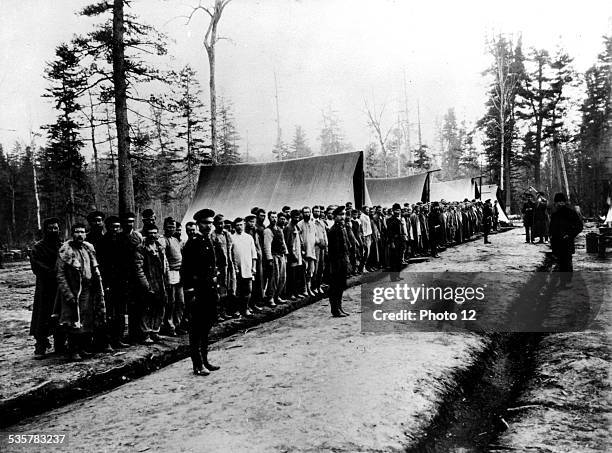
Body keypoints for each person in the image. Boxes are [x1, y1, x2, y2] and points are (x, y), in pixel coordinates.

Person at [54, 223, 107, 361]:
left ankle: (83, 348)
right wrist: (68, 294)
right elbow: (60, 275)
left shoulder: (87, 249)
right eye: (77, 232)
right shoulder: (65, 252)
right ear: (72, 234)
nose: (80, 234)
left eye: (82, 232)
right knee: (73, 320)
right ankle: (73, 350)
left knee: (87, 319)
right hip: (74, 291)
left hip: (88, 289)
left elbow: (94, 270)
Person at [181, 208, 221, 376]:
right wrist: (190, 292)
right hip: (197, 293)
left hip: (208, 291)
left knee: (205, 328)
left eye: (211, 223)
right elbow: (187, 270)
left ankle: (204, 360)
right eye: (205, 223)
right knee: (196, 329)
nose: (208, 226)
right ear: (198, 224)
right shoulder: (193, 242)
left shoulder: (207, 240)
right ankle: (197, 365)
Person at [30, 217, 64, 358]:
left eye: (55, 228)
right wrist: (52, 272)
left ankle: (60, 345)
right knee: (42, 316)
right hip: (45, 287)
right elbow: (36, 265)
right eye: (50, 228)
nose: (53, 230)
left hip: (59, 286)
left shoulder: (62, 246)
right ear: (45, 230)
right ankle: (40, 346)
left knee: (59, 315)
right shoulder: (38, 247)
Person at [97, 216, 130, 349]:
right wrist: (106, 284)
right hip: (108, 283)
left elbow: (127, 261)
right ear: (107, 227)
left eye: (117, 227)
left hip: (121, 282)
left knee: (121, 312)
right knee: (109, 313)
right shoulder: (102, 242)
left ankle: (118, 338)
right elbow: (102, 265)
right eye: (113, 227)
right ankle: (107, 341)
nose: (115, 229)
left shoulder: (124, 240)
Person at [134, 224, 168, 344]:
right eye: (150, 233)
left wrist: (166, 279)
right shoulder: (141, 248)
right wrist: (146, 285)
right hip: (149, 281)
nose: (153, 235)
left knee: (160, 306)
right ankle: (145, 333)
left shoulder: (160, 247)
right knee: (147, 309)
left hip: (160, 281)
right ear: (146, 234)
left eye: (155, 233)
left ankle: (155, 331)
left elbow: (165, 264)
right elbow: (139, 269)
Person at [549, 193, 583, 287]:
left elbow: (579, 226)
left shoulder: (571, 213)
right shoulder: (555, 214)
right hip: (557, 242)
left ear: (565, 202)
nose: (560, 204)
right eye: (558, 202)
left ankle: (567, 281)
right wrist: (551, 236)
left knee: (567, 262)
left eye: (562, 202)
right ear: (555, 203)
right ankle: (562, 282)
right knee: (560, 262)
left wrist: (569, 235)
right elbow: (551, 227)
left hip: (567, 242)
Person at [159, 217, 185, 335]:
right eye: (169, 227)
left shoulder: (175, 239)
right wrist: (167, 275)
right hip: (170, 273)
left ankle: (178, 324)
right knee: (171, 301)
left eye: (173, 227)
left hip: (179, 272)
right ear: (164, 227)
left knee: (181, 301)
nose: (171, 229)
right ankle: (170, 326)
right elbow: (163, 259)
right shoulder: (162, 240)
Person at [120, 212, 143, 344]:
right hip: (124, 275)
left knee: (137, 306)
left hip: (136, 275)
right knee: (123, 308)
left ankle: (136, 334)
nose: (129, 224)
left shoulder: (137, 236)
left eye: (131, 221)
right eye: (127, 221)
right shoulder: (119, 236)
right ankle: (123, 335)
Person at [211, 214, 236, 319]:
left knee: (231, 287)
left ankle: (229, 310)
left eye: (223, 223)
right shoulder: (213, 236)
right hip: (220, 267)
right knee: (221, 290)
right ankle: (219, 313)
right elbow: (213, 254)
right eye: (219, 223)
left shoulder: (227, 234)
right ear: (215, 224)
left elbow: (231, 249)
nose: (221, 225)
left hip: (229, 265)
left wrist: (233, 265)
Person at [327, 206, 350, 317]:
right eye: (340, 215)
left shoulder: (342, 228)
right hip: (336, 263)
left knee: (341, 285)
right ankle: (335, 310)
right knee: (335, 286)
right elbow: (334, 251)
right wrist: (337, 264)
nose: (342, 217)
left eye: (344, 214)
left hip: (342, 261)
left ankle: (339, 307)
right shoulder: (333, 230)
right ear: (335, 216)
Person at [232, 217, 258, 317]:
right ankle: (238, 309)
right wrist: (235, 268)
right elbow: (231, 254)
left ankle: (246, 308)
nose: (239, 227)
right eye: (237, 225)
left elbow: (254, 254)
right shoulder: (232, 238)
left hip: (248, 268)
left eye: (241, 225)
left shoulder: (248, 237)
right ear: (235, 226)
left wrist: (254, 267)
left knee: (248, 290)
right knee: (238, 291)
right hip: (237, 268)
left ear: (244, 225)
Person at [263, 211, 288, 306]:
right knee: (274, 278)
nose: (274, 219)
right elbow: (267, 246)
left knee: (282, 278)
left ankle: (277, 296)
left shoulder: (279, 229)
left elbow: (283, 242)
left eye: (275, 217)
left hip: (281, 255)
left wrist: (285, 253)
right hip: (274, 256)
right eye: (272, 217)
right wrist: (269, 259)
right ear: (269, 218)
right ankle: (270, 298)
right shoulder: (268, 231)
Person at [284, 209, 305, 300]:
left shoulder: (297, 226)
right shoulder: (289, 227)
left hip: (298, 253)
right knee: (291, 275)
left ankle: (296, 292)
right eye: (295, 217)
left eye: (298, 217)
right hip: (292, 254)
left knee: (297, 274)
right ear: (291, 217)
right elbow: (288, 243)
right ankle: (291, 293)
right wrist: (292, 255)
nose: (297, 219)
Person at [298, 206, 318, 297]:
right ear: (302, 213)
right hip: (304, 252)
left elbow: (315, 236)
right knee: (304, 271)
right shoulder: (299, 224)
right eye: (305, 212)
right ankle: (304, 289)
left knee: (311, 271)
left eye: (308, 212)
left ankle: (309, 288)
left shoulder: (313, 224)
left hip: (312, 251)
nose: (307, 214)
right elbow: (299, 239)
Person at [386, 203, 405, 281]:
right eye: (396, 210)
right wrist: (392, 242)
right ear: (393, 211)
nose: (398, 211)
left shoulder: (399, 219)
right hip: (394, 241)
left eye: (399, 210)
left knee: (399, 258)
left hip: (400, 240)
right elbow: (389, 233)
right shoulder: (390, 220)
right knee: (394, 259)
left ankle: (398, 275)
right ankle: (393, 277)